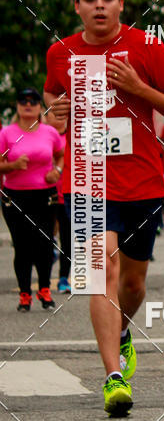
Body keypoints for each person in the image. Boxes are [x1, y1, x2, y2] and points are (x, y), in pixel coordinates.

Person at [44, 0, 164, 416]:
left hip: (143, 183)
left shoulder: (146, 47)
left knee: (133, 283)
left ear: (121, 4)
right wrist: (58, 111)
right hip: (87, 179)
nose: (99, 5)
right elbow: (54, 103)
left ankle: (123, 331)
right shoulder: (60, 53)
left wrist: (137, 87)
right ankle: (112, 377)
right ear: (77, 7)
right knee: (101, 271)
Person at [0, 87, 64, 311]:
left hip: (45, 194)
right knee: (22, 246)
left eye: (33, 101)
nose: (28, 105)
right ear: (17, 106)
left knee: (45, 243)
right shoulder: (7, 133)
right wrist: (12, 166)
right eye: (23, 101)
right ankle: (24, 293)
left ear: (40, 107)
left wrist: (57, 170)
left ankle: (44, 290)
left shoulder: (49, 132)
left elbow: (61, 154)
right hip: (15, 195)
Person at [45, 108, 71, 293]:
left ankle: (63, 278)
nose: (60, 119)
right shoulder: (43, 137)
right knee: (45, 236)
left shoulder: (74, 136)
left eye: (64, 116)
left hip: (68, 194)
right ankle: (44, 280)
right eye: (56, 115)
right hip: (45, 194)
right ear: (46, 117)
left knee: (67, 239)